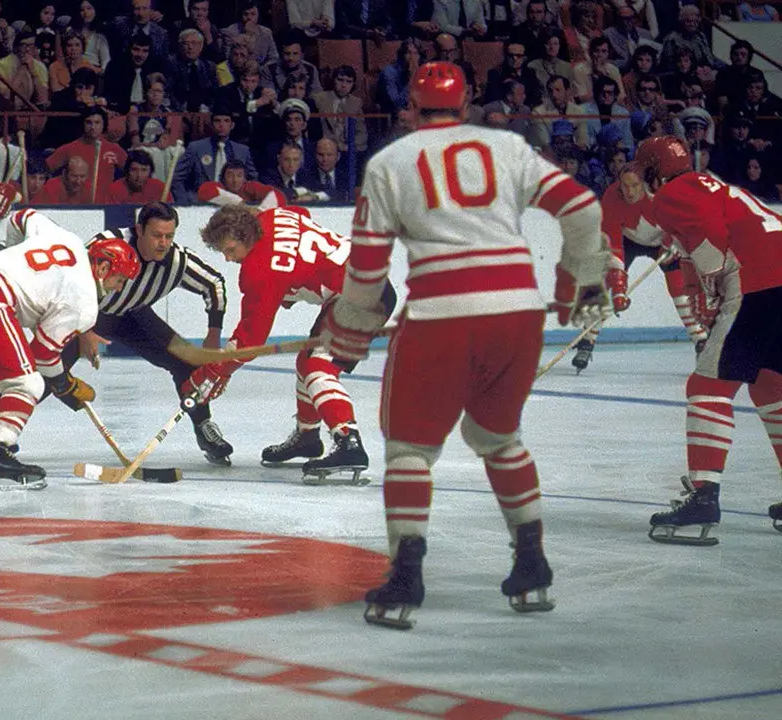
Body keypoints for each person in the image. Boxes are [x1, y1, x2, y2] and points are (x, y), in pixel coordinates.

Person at [322, 62, 611, 628]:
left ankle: (406, 577)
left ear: (410, 107)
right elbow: (582, 207)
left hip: (440, 317)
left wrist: (350, 331)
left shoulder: (389, 163)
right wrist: (584, 281)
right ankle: (532, 566)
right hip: (518, 315)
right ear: (468, 101)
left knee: (409, 450)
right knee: (499, 438)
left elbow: (366, 268)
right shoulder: (507, 146)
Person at [632, 135, 782, 545]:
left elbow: (709, 238)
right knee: (771, 386)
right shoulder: (711, 184)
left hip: (758, 282)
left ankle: (703, 496)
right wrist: (703, 284)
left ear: (652, 171)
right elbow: (697, 246)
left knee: (707, 386)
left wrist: (713, 287)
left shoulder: (673, 193)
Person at [0, 208, 140, 489]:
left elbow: (21, 216)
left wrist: (15, 255)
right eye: (120, 279)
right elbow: (42, 355)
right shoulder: (85, 301)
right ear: (103, 268)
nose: (116, 288)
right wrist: (65, 385)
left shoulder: (69, 239)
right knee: (28, 382)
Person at [191, 204, 394, 483]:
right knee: (306, 360)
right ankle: (308, 437)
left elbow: (251, 340)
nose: (228, 258)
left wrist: (218, 371)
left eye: (231, 249)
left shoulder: (258, 270)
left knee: (317, 367)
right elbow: (301, 214)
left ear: (247, 236)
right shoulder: (273, 215)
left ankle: (349, 442)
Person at [81, 203, 231, 463]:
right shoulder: (108, 245)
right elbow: (72, 283)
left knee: (187, 361)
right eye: (156, 235)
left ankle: (204, 426)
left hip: (134, 315)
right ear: (139, 230)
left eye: (169, 236)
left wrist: (213, 337)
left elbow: (214, 284)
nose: (163, 243)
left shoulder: (176, 261)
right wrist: (84, 329)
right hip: (88, 314)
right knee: (48, 370)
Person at [571, 163, 709, 371]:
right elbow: (614, 246)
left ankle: (700, 340)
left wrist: (672, 243)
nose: (630, 192)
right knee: (605, 283)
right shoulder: (611, 198)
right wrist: (619, 289)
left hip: (663, 241)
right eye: (625, 186)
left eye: (635, 185)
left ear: (644, 184)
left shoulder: (660, 194)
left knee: (678, 285)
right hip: (629, 239)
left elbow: (681, 221)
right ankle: (587, 341)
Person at [196, 160, 284, 208]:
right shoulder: (221, 187)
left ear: (245, 178)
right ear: (223, 178)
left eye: (239, 176)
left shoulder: (251, 187)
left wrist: (260, 211)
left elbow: (277, 195)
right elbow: (204, 190)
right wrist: (239, 203)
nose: (235, 180)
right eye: (230, 176)